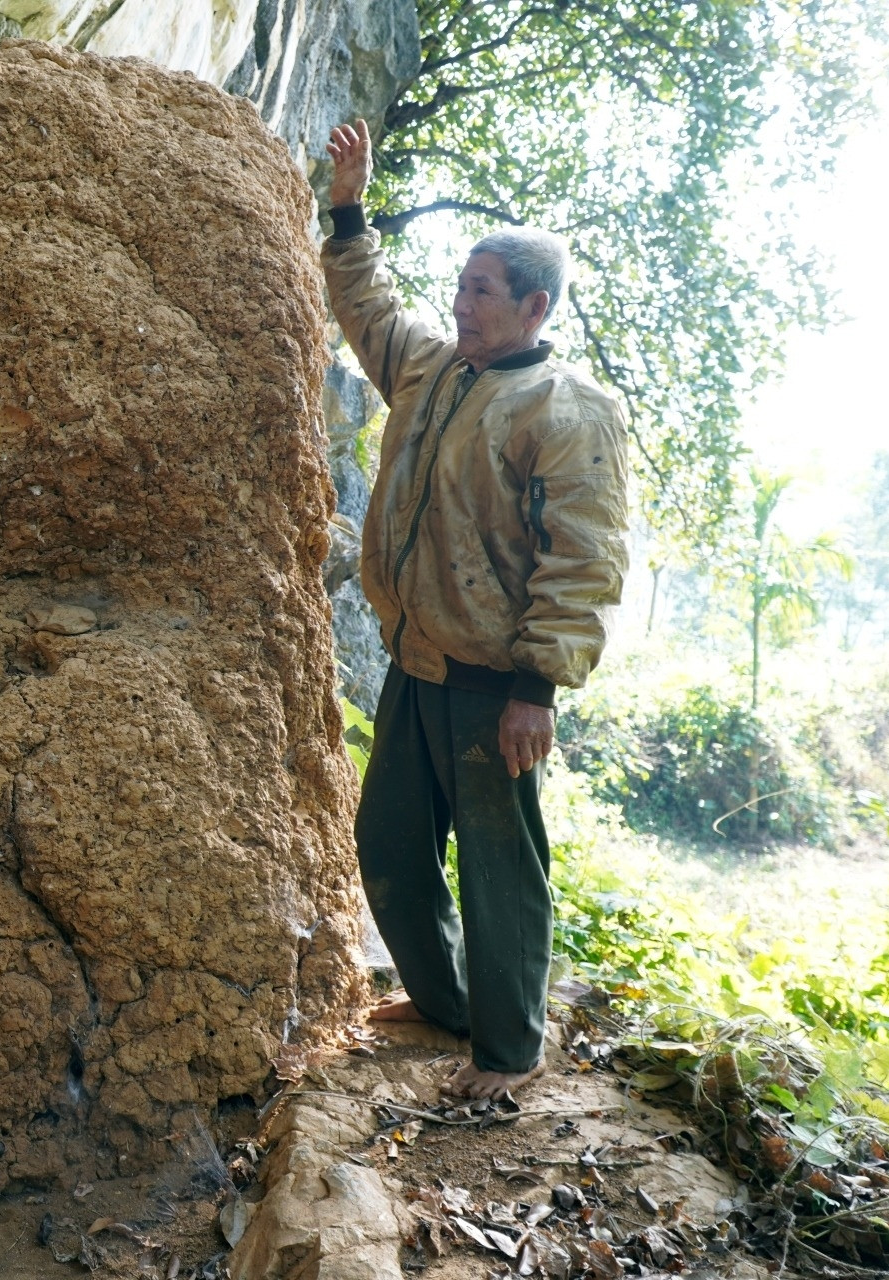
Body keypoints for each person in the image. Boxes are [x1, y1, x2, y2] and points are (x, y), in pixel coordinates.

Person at [321, 119, 629, 1100]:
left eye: (482, 292)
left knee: (501, 869)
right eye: (458, 286)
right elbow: (369, 306)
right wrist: (349, 205)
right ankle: (446, 1001)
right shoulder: (435, 369)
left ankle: (507, 1051)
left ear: (536, 306)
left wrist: (536, 687)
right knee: (392, 845)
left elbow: (584, 558)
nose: (460, 304)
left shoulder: (566, 408)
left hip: (495, 682)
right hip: (417, 663)